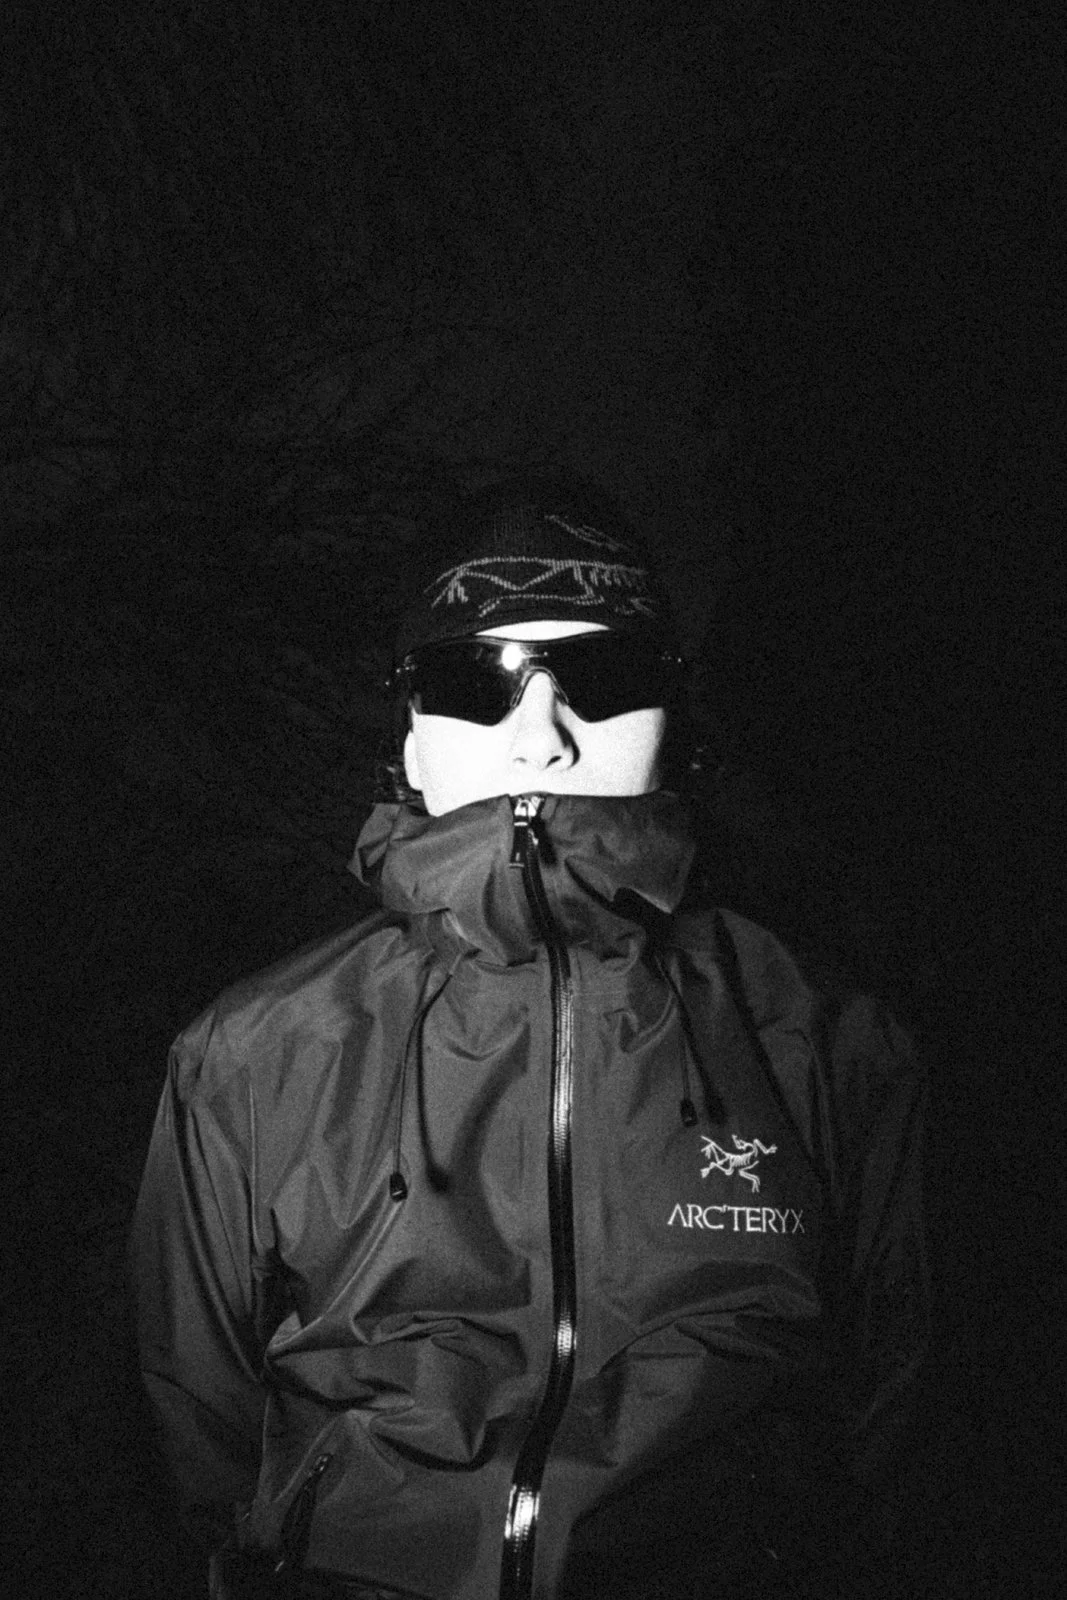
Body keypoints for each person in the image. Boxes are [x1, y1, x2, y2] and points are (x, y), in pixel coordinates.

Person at [130, 478, 929, 1600]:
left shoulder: (831, 1042)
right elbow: (195, 1447)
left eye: (600, 678)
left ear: (674, 724)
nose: (537, 734)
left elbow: (895, 1427)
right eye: (475, 680)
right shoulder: (250, 1053)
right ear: (408, 740)